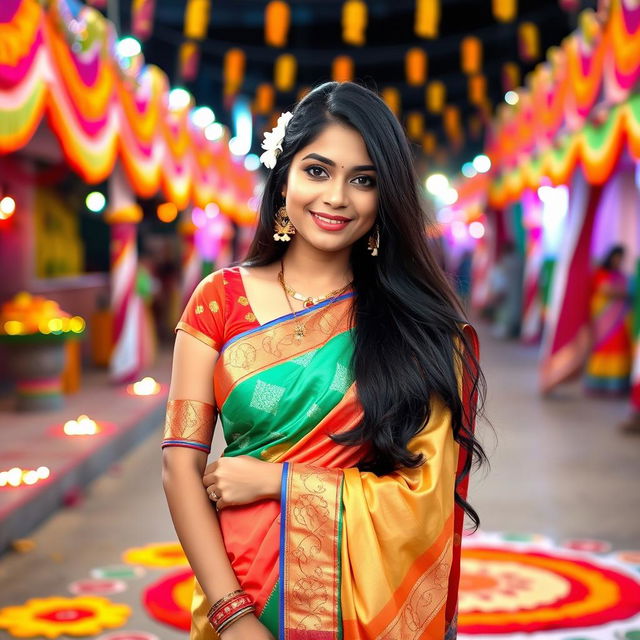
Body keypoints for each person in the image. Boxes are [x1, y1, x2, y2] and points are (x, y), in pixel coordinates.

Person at [161, 81, 487, 640]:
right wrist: (232, 616)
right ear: (283, 176)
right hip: (242, 591)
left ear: (385, 198)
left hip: (366, 610)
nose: (337, 196)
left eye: (363, 180)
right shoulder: (219, 302)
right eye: (318, 170)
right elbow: (179, 469)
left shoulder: (415, 328)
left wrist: (278, 481)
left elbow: (422, 498)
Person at [584, 245, 632, 395]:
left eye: (621, 258)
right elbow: (605, 290)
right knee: (602, 346)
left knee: (618, 346)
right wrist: (625, 293)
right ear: (611, 256)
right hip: (603, 318)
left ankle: (616, 384)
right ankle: (598, 383)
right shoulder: (601, 273)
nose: (619, 260)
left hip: (619, 320)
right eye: (617, 257)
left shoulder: (621, 275)